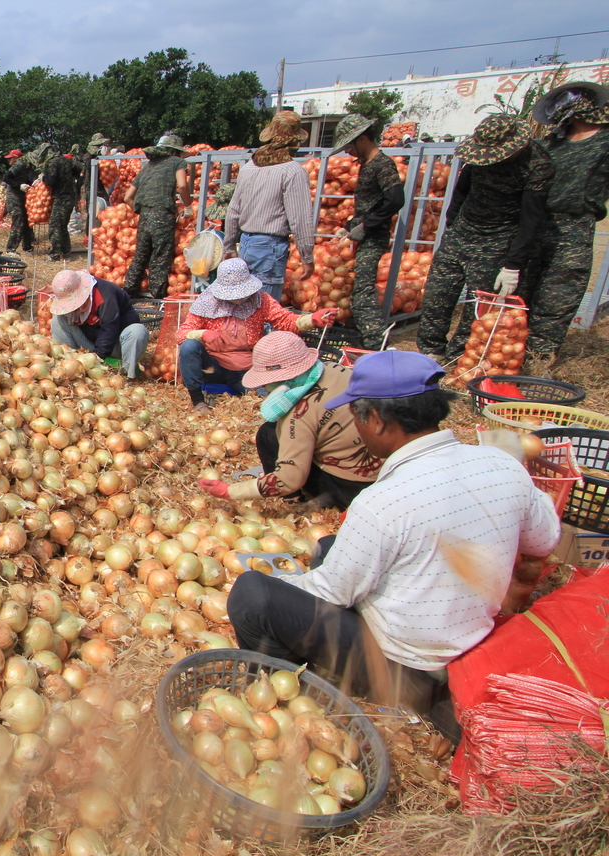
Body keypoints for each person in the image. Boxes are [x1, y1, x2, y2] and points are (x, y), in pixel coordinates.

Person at [226, 351, 560, 720]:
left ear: (376, 420)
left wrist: (286, 587)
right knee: (328, 546)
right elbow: (544, 541)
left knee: (253, 595)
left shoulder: (383, 501)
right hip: (471, 644)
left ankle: (279, 691)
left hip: (407, 670)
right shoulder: (503, 464)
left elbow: (330, 593)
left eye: (356, 417)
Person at [415, 114, 553, 364]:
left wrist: (513, 264)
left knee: (477, 306)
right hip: (462, 231)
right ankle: (429, 351)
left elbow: (531, 219)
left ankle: (459, 357)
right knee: (437, 294)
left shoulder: (537, 165)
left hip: (498, 238)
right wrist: (452, 226)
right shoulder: (478, 158)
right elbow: (461, 192)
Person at [197, 332, 381, 509]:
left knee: (267, 435)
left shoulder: (300, 413)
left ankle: (292, 500)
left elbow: (289, 479)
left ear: (283, 378)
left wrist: (231, 491)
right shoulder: (335, 369)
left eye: (265, 382)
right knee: (273, 430)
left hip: (349, 488)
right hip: (383, 472)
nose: (264, 386)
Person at [521, 81, 609, 368]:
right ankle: (507, 358)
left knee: (557, 298)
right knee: (519, 295)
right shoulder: (546, 145)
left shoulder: (605, 142)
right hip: (533, 225)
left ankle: (538, 363)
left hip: (573, 228)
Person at [177, 258, 336, 411]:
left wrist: (312, 319)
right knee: (189, 346)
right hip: (212, 367)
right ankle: (198, 400)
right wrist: (202, 334)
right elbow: (180, 335)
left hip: (248, 369)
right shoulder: (206, 303)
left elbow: (286, 321)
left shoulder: (261, 301)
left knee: (266, 399)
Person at [223, 111, 316, 302]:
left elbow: (233, 210)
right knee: (265, 308)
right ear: (295, 142)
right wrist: (307, 256)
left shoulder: (249, 167)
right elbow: (300, 219)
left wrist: (230, 245)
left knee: (246, 305)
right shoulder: (292, 171)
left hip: (247, 243)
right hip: (271, 248)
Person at [331, 113, 406, 350]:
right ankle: (363, 338)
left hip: (374, 236)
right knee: (358, 286)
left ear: (363, 139)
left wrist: (367, 225)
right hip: (365, 232)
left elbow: (395, 200)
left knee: (363, 291)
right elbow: (369, 205)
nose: (348, 151)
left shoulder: (382, 164)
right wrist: (350, 226)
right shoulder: (367, 164)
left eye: (350, 145)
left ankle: (376, 343)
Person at [122, 134, 193, 298]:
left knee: (140, 255)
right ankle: (157, 295)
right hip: (163, 215)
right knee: (160, 256)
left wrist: (142, 210)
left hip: (145, 215)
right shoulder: (178, 162)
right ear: (176, 151)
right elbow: (182, 185)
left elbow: (127, 197)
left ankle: (128, 292)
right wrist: (188, 206)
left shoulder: (148, 166)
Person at [47, 269, 149, 379]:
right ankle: (69, 368)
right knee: (58, 321)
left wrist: (97, 357)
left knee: (138, 331)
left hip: (118, 344)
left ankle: (126, 374)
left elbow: (110, 329)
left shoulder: (105, 294)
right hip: (91, 344)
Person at [40, 147, 83, 259]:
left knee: (55, 226)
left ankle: (55, 254)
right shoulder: (65, 160)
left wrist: (43, 178)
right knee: (63, 225)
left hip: (61, 198)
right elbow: (78, 169)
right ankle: (65, 249)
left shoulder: (53, 162)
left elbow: (51, 181)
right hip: (70, 196)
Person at [2, 147, 39, 254]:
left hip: (22, 197)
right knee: (18, 221)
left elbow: (26, 179)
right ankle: (10, 249)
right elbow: (6, 178)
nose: (9, 161)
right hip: (13, 197)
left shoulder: (25, 165)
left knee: (26, 222)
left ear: (15, 158)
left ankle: (27, 247)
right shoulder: (19, 165)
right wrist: (18, 186)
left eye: (10, 158)